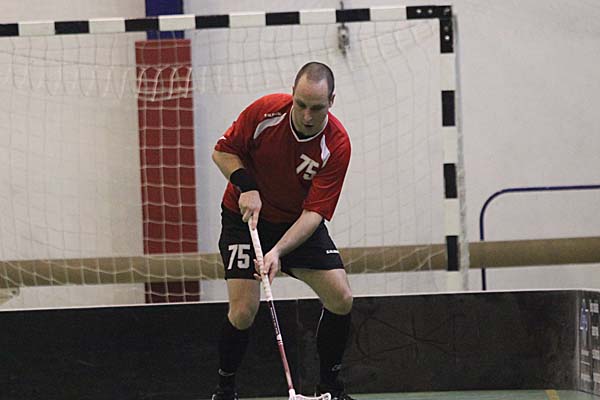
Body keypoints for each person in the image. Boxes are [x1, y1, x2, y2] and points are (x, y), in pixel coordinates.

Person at [211, 61, 354, 400]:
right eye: (300, 104)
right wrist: (246, 186)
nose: (306, 115)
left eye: (316, 108)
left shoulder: (336, 145)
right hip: (245, 220)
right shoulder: (265, 113)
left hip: (296, 224)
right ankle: (225, 391)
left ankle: (329, 389)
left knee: (341, 298)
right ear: (292, 94)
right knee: (243, 312)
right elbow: (222, 152)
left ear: (331, 102)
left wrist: (276, 252)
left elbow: (314, 213)